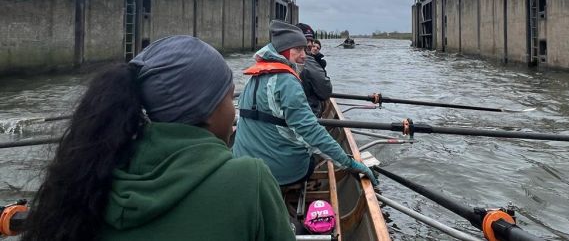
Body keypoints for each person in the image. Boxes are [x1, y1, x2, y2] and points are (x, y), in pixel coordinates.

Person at [22, 35, 295, 241]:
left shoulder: (90, 174)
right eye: (228, 96)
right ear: (207, 110)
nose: (232, 109)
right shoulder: (249, 179)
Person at [233, 20, 377, 187]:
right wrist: (348, 163)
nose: (304, 55)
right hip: (281, 174)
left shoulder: (255, 76)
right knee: (310, 156)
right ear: (284, 50)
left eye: (305, 49)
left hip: (245, 168)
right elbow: (310, 131)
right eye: (299, 49)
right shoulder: (286, 81)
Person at [296, 23, 331, 117]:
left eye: (312, 41)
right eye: (307, 40)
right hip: (307, 115)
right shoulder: (307, 61)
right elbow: (326, 91)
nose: (311, 45)